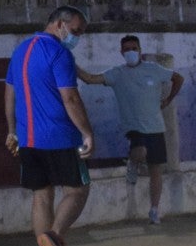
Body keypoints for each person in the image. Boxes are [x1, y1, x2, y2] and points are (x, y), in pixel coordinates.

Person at [4, 6, 95, 246]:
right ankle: (54, 238)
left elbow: (9, 94)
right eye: (75, 31)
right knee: (77, 191)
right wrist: (87, 132)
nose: (77, 37)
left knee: (42, 195)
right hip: (60, 136)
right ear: (59, 24)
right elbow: (70, 98)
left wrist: (12, 131)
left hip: (28, 139)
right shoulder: (59, 53)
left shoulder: (20, 51)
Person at [76, 35, 185, 225]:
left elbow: (178, 78)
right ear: (121, 53)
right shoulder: (117, 73)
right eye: (127, 49)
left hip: (156, 127)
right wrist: (71, 63)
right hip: (134, 127)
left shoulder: (154, 69)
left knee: (156, 170)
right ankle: (132, 163)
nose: (131, 52)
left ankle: (154, 210)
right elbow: (89, 79)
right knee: (140, 151)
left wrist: (168, 99)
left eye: (134, 48)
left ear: (140, 50)